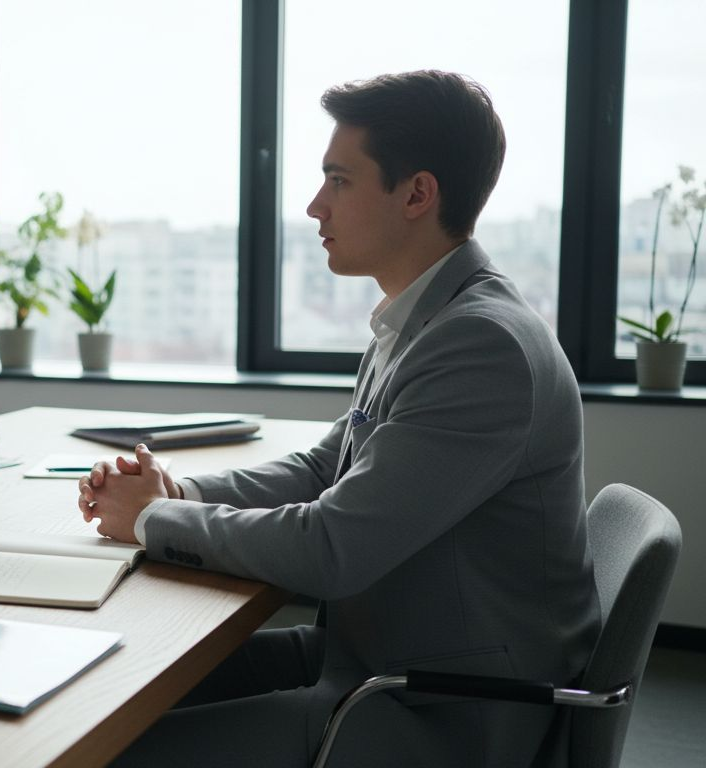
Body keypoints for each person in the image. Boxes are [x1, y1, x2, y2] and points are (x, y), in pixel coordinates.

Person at [80, 71, 600, 767]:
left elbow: (331, 548)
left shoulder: (482, 346)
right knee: (112, 691)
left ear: (417, 193)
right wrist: (179, 493)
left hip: (443, 705)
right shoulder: (426, 318)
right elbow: (326, 468)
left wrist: (149, 522)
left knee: (111, 750)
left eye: (339, 181)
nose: (314, 205)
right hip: (382, 656)